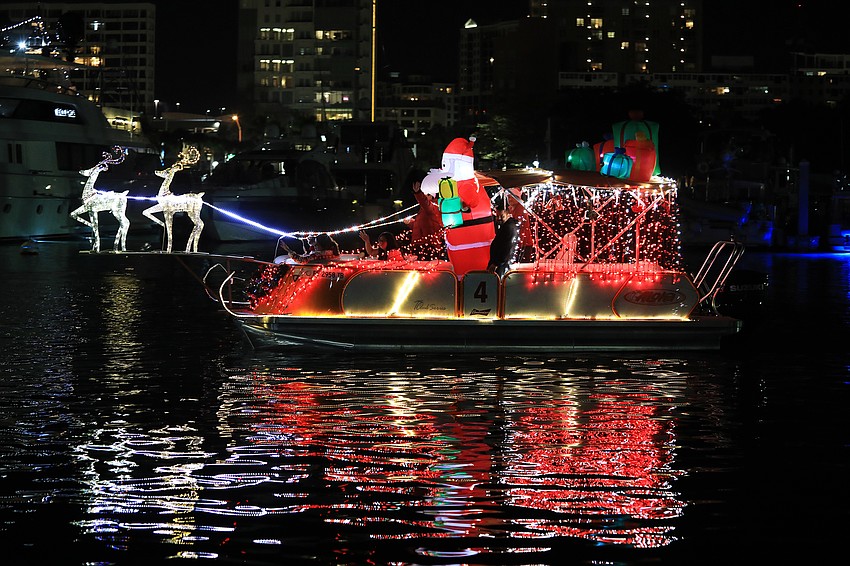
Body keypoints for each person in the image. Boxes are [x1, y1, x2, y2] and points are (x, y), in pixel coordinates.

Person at [487, 197, 519, 277]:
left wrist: (496, 263)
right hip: (500, 264)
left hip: (501, 265)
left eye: (502, 216)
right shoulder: (507, 226)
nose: (499, 219)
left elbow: (506, 248)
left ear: (507, 213)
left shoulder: (509, 227)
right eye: (497, 216)